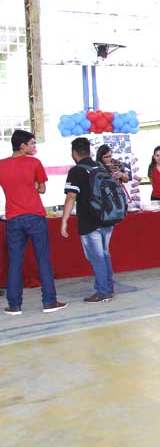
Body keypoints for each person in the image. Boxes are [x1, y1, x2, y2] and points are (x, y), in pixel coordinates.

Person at [0, 130, 67, 315]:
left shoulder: (1, 165)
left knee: (14, 262)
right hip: (35, 216)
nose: (34, 147)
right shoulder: (34, 163)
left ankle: (14, 305)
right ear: (23, 146)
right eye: (32, 144)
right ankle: (49, 301)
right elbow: (42, 188)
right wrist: (35, 186)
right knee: (43, 259)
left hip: (13, 218)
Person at [62, 137, 117, 303]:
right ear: (90, 151)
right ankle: (108, 287)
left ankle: (102, 291)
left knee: (96, 257)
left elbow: (71, 196)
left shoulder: (76, 171)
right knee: (105, 254)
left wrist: (64, 220)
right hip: (107, 219)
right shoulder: (99, 167)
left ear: (74, 153)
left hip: (89, 221)